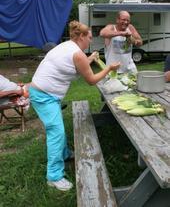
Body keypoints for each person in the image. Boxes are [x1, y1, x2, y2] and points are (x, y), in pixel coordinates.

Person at [29, 20, 120, 191]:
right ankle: (54, 176)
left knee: (58, 128)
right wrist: (109, 69)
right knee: (56, 132)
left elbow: (78, 63)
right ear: (82, 36)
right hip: (44, 97)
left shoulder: (67, 46)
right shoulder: (77, 53)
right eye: (90, 37)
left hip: (44, 94)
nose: (90, 41)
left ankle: (64, 154)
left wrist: (91, 58)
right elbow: (91, 80)